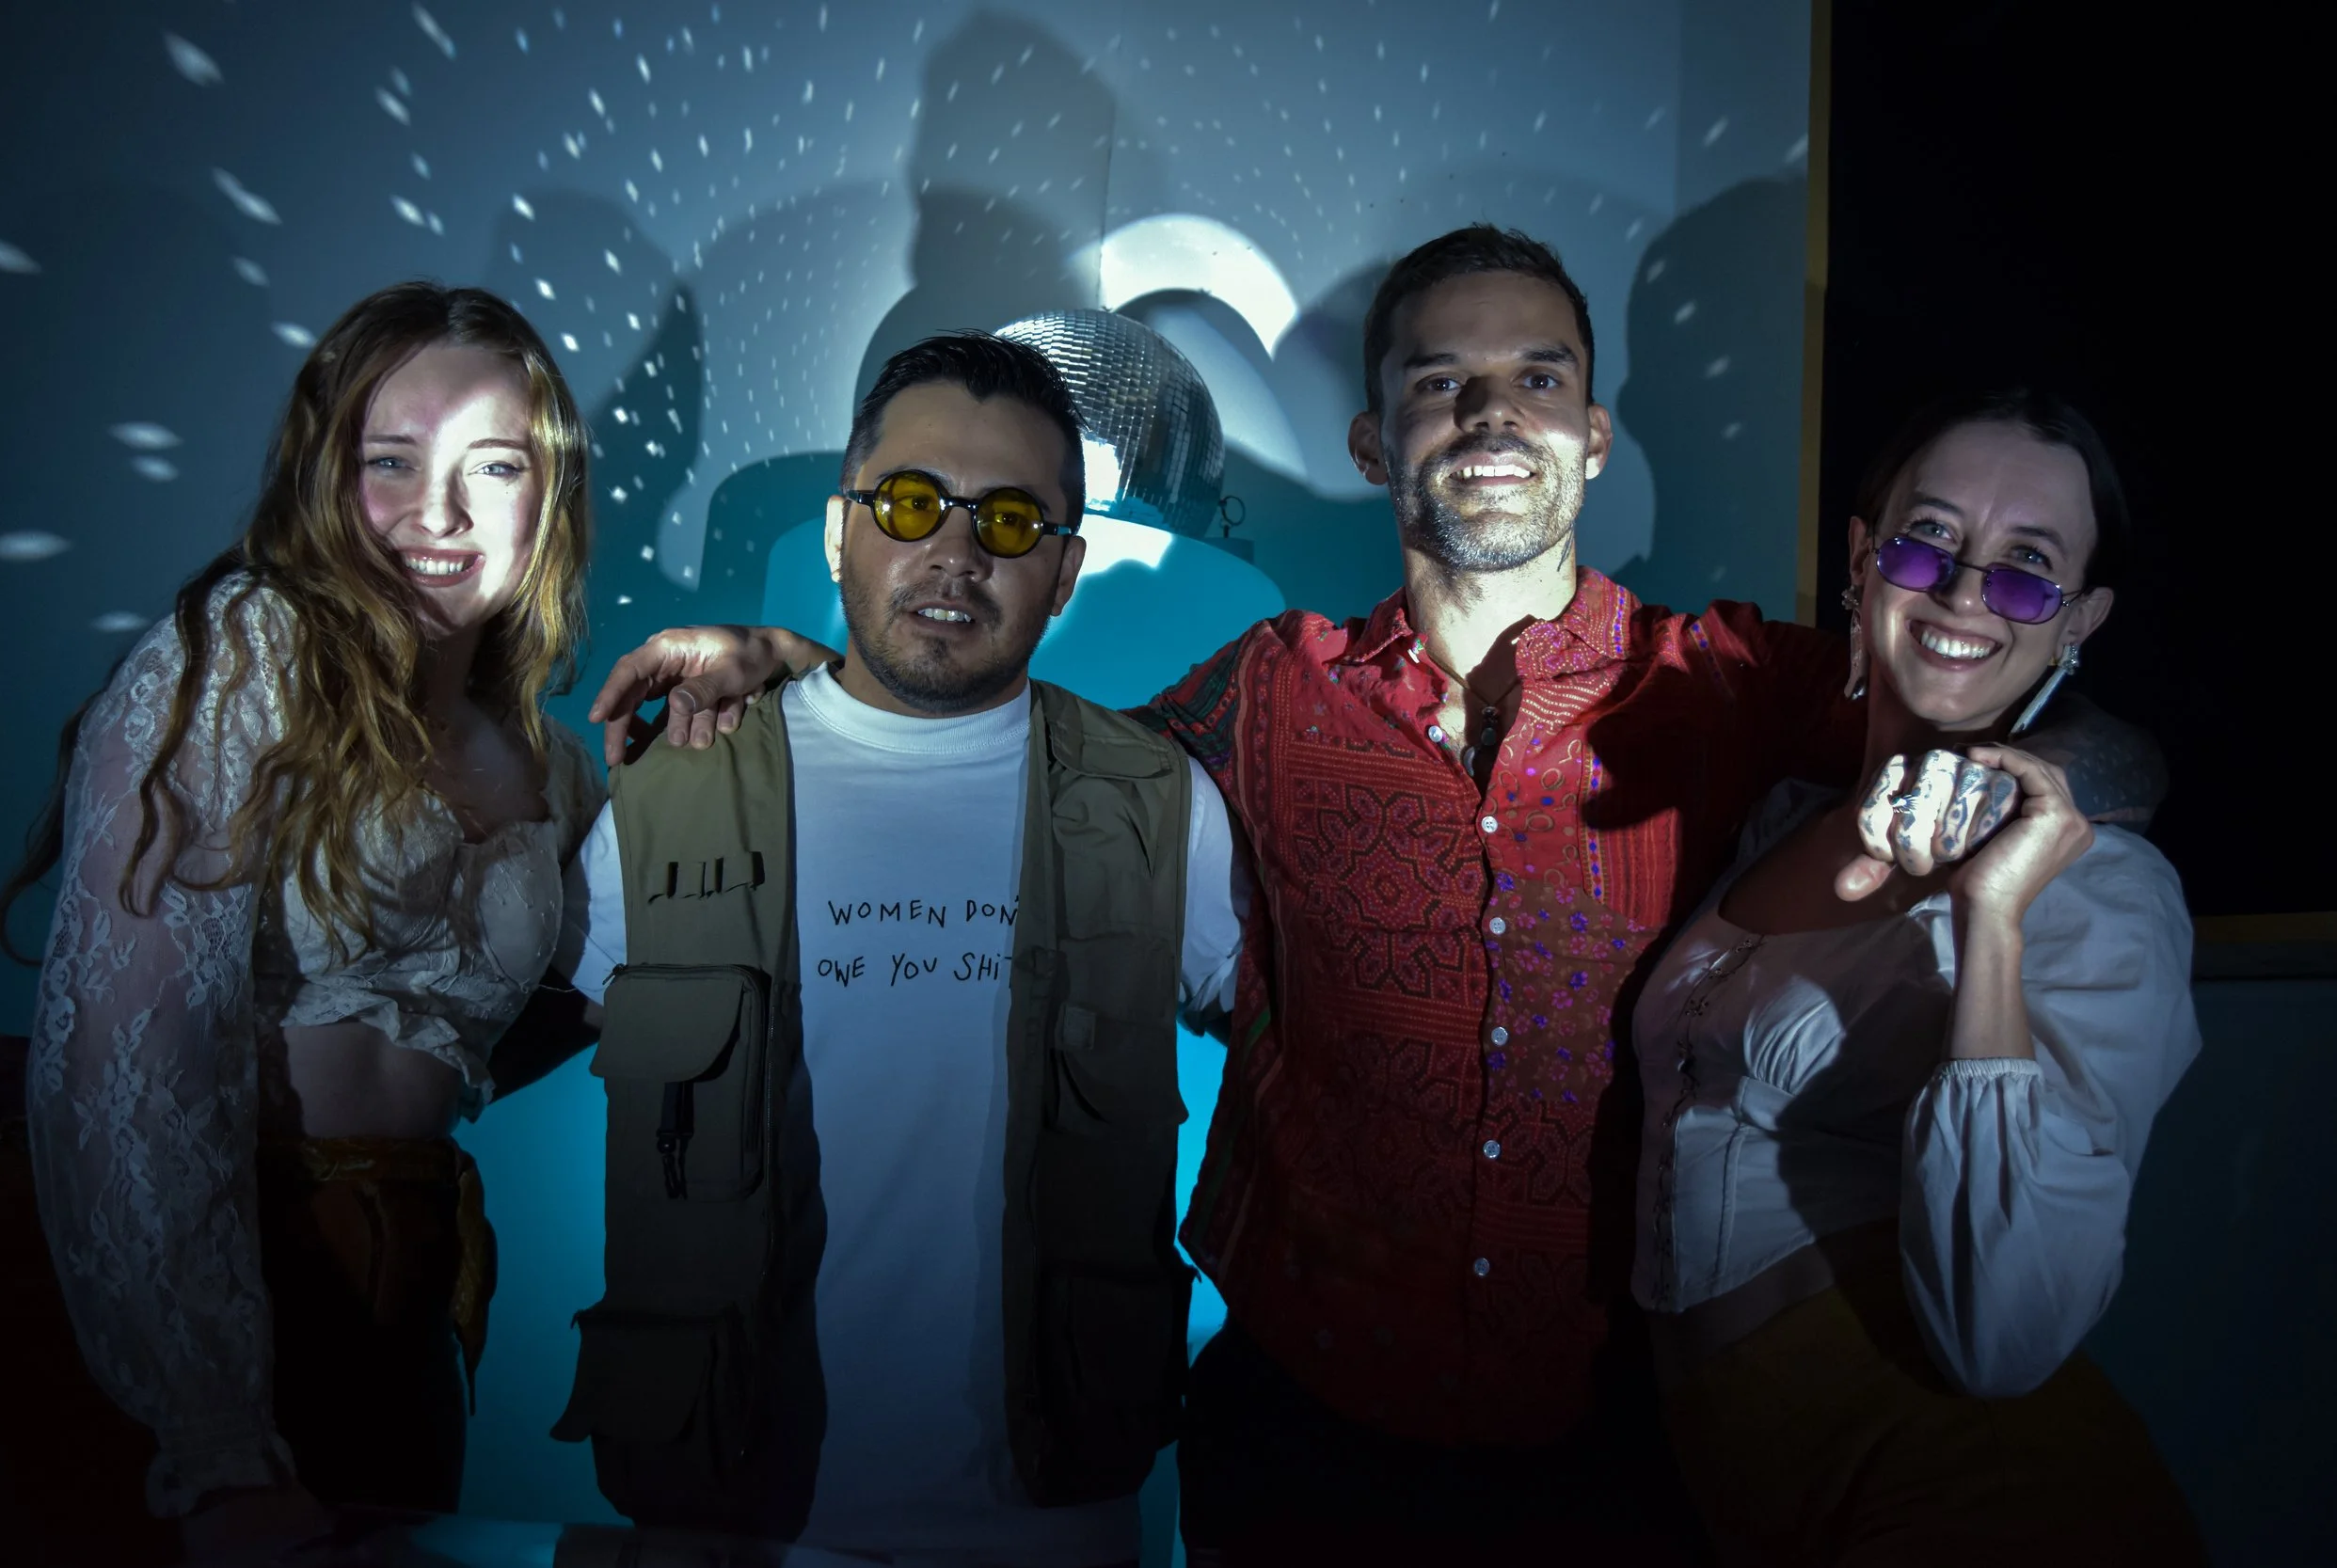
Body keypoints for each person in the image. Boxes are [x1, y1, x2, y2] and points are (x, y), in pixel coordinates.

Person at [592, 227, 2158, 1561]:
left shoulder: (1736, 682)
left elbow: (1981, 687)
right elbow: (1004, 755)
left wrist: (2067, 783)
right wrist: (810, 668)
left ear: (1594, 435)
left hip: (1607, 1447)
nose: (1493, 415)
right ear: (1370, 443)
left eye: (1539, 377)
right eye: (1441, 383)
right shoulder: (1265, 694)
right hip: (1304, 1440)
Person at [548, 331, 1240, 1566]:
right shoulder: (674, 793)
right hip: (725, 1515)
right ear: (840, 528)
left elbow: (1310, 1057)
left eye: (1013, 520)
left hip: (1055, 1523)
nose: (956, 553)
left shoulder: (1161, 804)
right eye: (913, 501)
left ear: (1067, 568)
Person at [0, 282, 603, 1561]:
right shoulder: (239, 655)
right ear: (326, 475)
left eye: (492, 467)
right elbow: (131, 1064)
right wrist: (212, 1439)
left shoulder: (551, 757)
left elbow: (545, 1012)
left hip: (407, 1300)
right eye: (391, 462)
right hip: (206, 1304)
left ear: (549, 495)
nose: (439, 516)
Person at [1630, 390, 2204, 1563]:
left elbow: (2001, 1337)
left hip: (1973, 1497)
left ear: (2079, 616)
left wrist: (1990, 918)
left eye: (2027, 569)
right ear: (1860, 556)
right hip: (1734, 1495)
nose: (1960, 592)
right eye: (1927, 537)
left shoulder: (2104, 894)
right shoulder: (1781, 812)